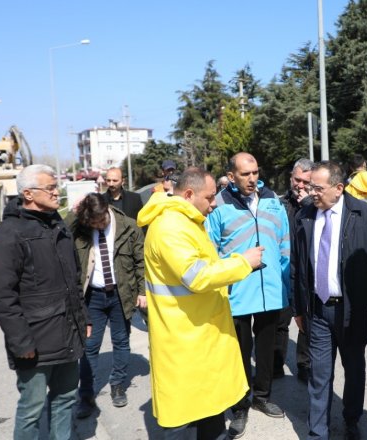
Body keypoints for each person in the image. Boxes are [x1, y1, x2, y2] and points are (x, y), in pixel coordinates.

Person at [137, 167, 264, 439]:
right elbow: (197, 277)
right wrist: (243, 263)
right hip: (185, 339)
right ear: (190, 193)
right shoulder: (170, 227)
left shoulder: (185, 221)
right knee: (184, 418)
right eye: (209, 198)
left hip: (199, 333)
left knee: (211, 409)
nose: (214, 203)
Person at [0, 164, 89, 440]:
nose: (57, 192)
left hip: (67, 334)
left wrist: (84, 319)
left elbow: (74, 280)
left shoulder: (59, 227)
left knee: (66, 399)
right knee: (32, 408)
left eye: (56, 186)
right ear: (29, 194)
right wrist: (21, 342)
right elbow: (1, 296)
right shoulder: (9, 234)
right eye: (51, 188)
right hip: (34, 341)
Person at [293, 161, 367, 440]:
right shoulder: (304, 215)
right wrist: (298, 307)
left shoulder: (366, 215)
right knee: (319, 375)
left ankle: (352, 419)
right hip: (317, 310)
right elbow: (298, 266)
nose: (311, 192)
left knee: (354, 370)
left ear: (339, 188)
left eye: (318, 188)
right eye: (310, 186)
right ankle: (317, 432)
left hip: (352, 311)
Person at [206, 152, 291, 438]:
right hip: (237, 293)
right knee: (239, 352)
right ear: (231, 176)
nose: (252, 178)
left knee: (267, 349)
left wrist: (283, 278)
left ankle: (262, 396)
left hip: (270, 290)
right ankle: (239, 405)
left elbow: (284, 241)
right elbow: (211, 251)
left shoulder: (272, 200)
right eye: (245, 174)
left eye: (255, 172)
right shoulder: (218, 205)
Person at [70, 193, 145, 418]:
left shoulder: (129, 226)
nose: (97, 226)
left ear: (106, 210)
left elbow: (141, 261)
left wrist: (143, 291)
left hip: (121, 294)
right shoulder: (81, 227)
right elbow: (60, 231)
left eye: (99, 221)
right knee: (90, 345)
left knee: (121, 341)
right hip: (92, 296)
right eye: (91, 223)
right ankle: (86, 395)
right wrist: (73, 214)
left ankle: (118, 385)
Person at [277, 158, 314, 383]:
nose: (300, 185)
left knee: (305, 322)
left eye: (305, 182)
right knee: (279, 322)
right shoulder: (280, 203)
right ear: (291, 177)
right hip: (282, 270)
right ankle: (275, 364)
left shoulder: (315, 205)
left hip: (305, 272)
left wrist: (308, 204)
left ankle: (304, 365)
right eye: (297, 180)